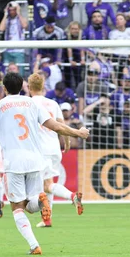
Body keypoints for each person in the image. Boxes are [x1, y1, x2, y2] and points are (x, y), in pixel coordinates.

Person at [0, 72, 90, 255]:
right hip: (35, 161)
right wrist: (78, 133)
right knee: (31, 203)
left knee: (17, 207)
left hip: (13, 163)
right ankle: (41, 202)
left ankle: (34, 245)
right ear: (22, 86)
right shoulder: (32, 103)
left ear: (4, 88)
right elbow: (55, 126)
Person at [28, 73, 83, 228]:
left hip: (39, 149)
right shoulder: (53, 103)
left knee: (43, 187)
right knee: (49, 183)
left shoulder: (28, 103)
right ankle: (47, 219)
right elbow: (61, 124)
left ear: (29, 87)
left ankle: (72, 196)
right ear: (43, 86)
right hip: (53, 148)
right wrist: (66, 142)